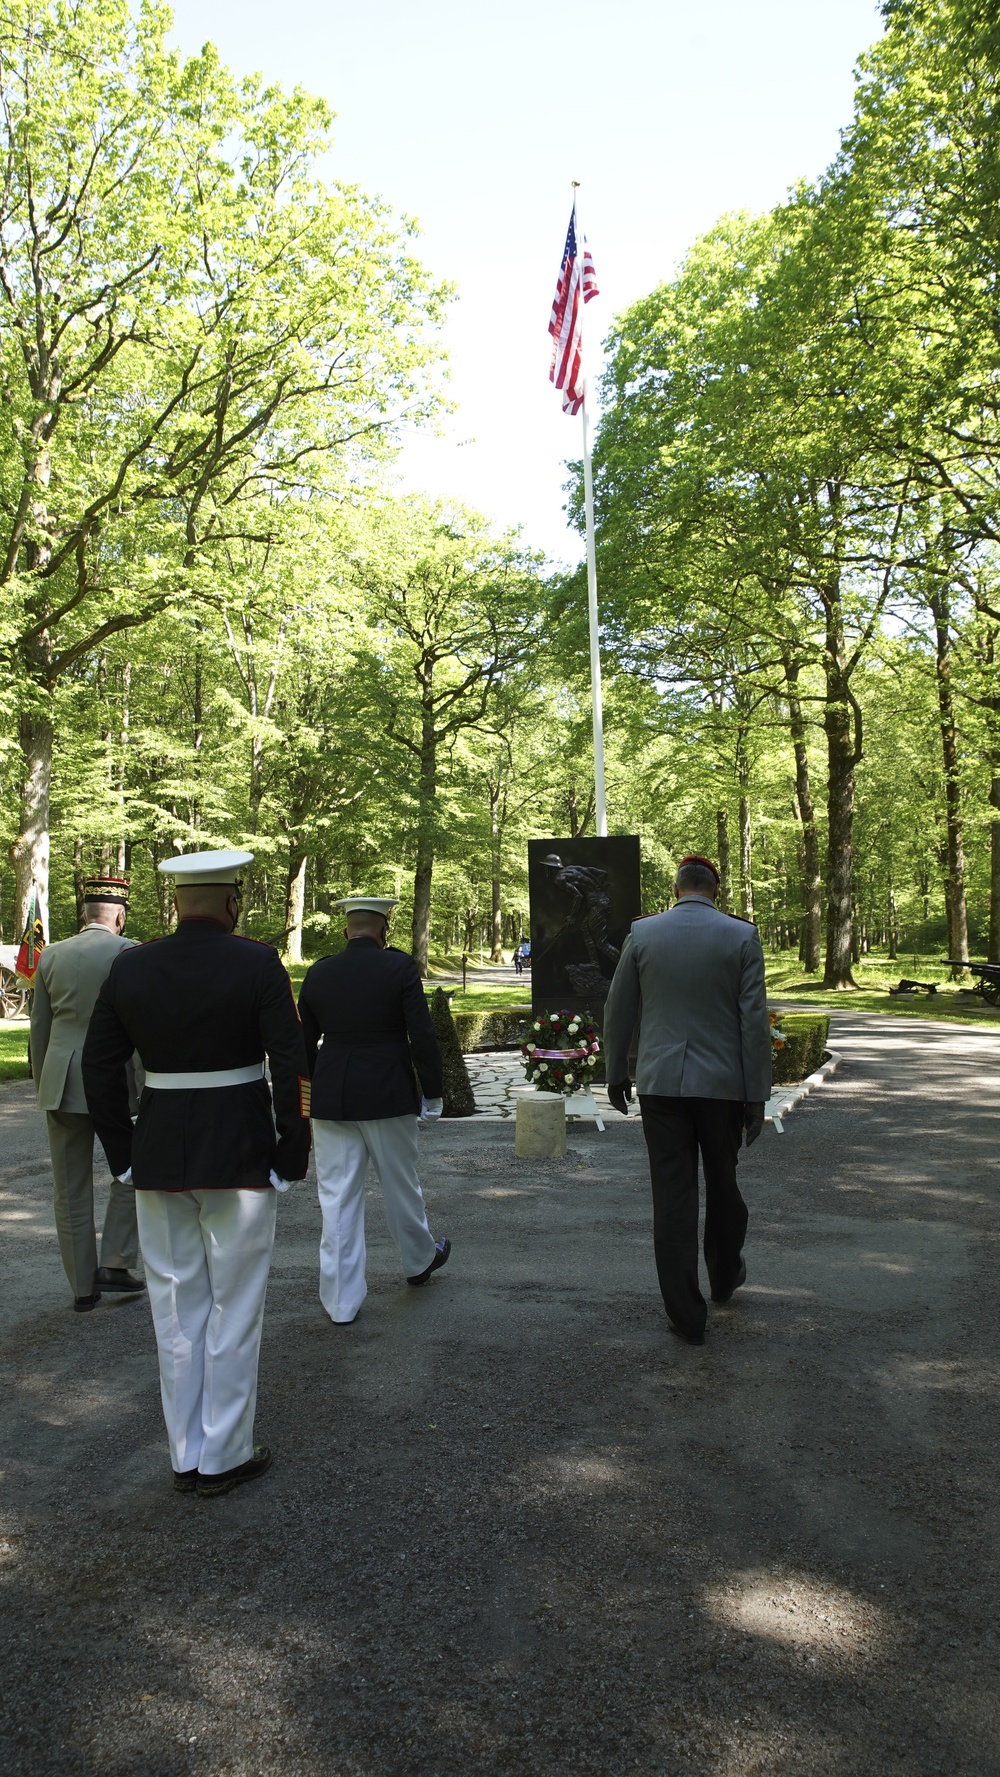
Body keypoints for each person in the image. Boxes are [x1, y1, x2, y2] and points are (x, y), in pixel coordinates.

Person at [82, 850, 312, 1497]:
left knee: (174, 1308)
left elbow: (98, 1067)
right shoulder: (256, 963)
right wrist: (291, 1150)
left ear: (177, 903)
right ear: (232, 901)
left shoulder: (133, 965)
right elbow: (293, 1065)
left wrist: (122, 1152)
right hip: (240, 1154)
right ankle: (226, 1451)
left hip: (158, 1158)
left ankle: (186, 1451)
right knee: (234, 1307)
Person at [602, 854, 772, 1346]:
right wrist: (757, 1095)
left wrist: (617, 1073)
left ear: (676, 889)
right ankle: (723, 1277)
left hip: (661, 1086)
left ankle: (685, 1314)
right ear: (714, 891)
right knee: (723, 1183)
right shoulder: (741, 936)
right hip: (722, 1087)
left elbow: (619, 1008)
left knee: (672, 1196)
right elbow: (753, 1022)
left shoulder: (644, 933)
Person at [298, 895, 449, 1326]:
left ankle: (341, 1301)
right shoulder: (399, 967)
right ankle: (419, 1261)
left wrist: (309, 1097)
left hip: (333, 1097)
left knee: (338, 1197)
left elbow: (303, 1046)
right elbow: (421, 1034)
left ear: (347, 931)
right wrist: (434, 1093)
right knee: (401, 1184)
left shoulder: (319, 972)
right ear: (384, 932)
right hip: (386, 1092)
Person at [29, 875, 144, 1312]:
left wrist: (45, 1085)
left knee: (69, 1187)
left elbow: (40, 1029)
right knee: (133, 1169)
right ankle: (115, 1260)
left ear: (83, 914)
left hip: (61, 1081)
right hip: (113, 1078)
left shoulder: (51, 956)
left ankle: (82, 1288)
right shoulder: (129, 953)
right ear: (119, 914)